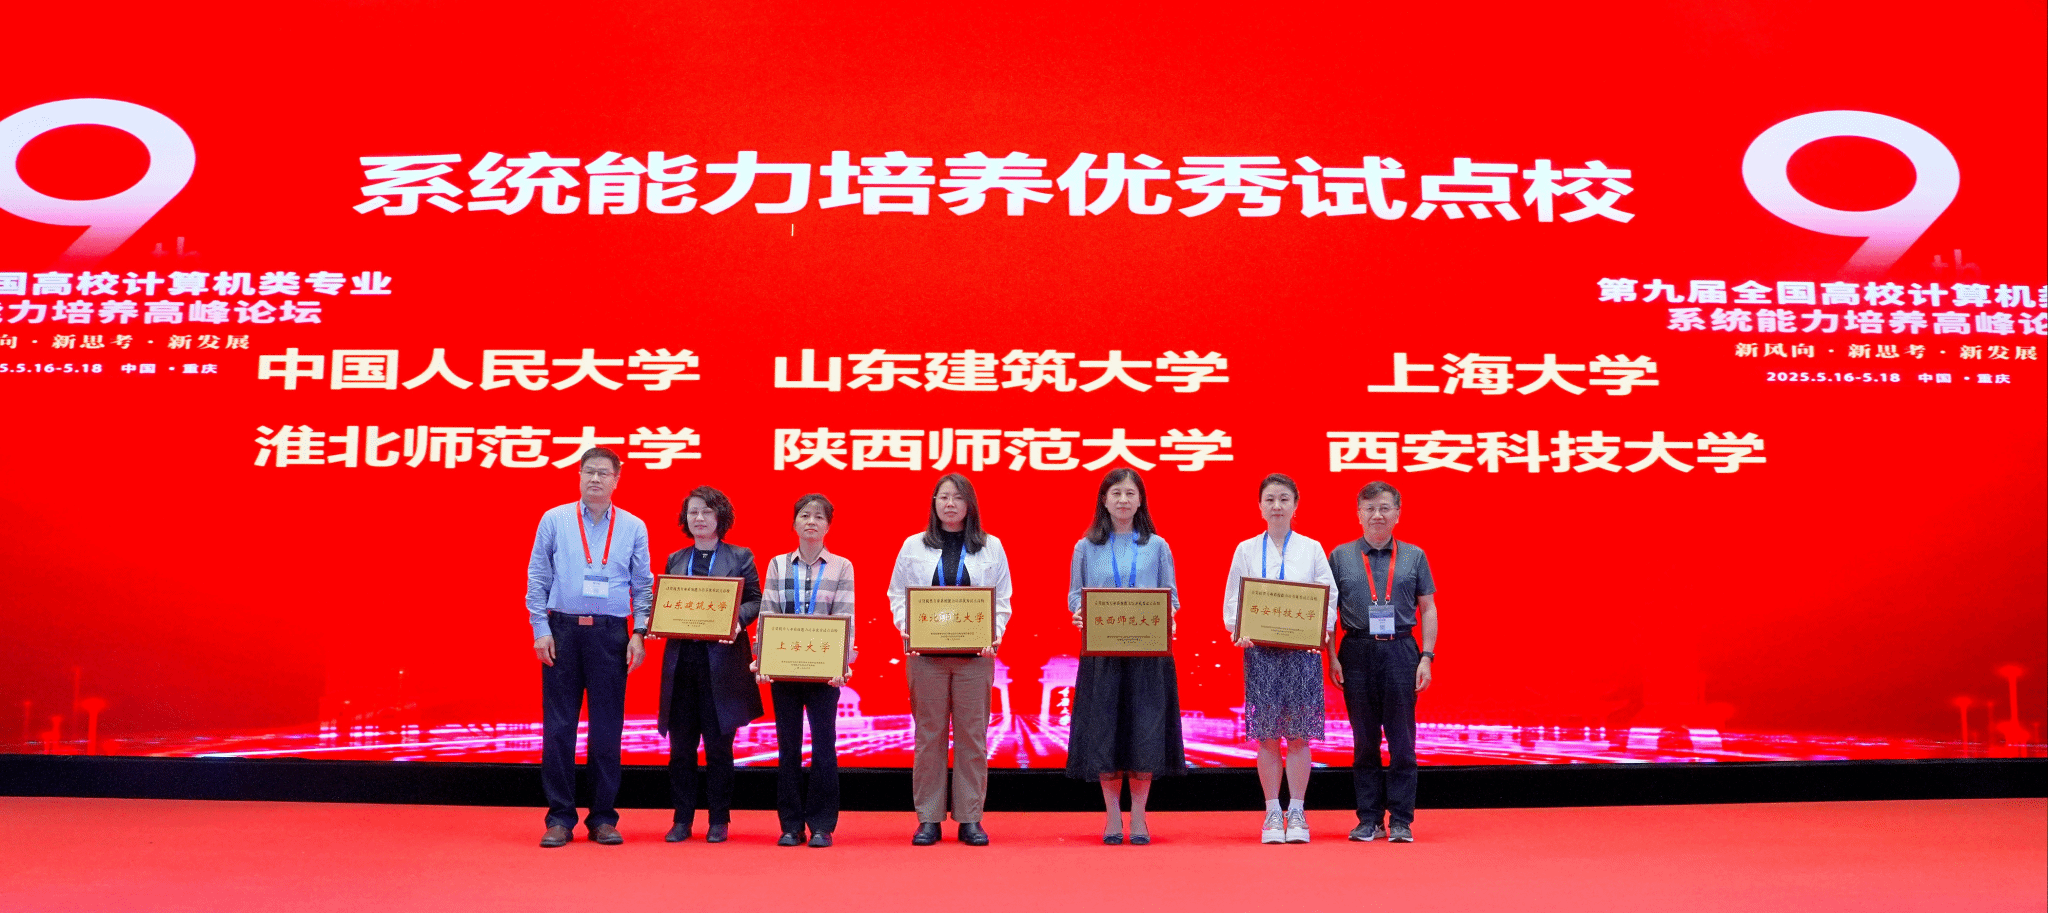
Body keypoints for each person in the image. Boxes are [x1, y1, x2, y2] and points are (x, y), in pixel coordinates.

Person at [526, 446, 652, 848]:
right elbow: (538, 575)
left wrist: (639, 632)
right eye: (588, 472)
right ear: (579, 476)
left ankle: (602, 818)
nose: (595, 479)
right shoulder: (555, 518)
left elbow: (643, 584)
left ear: (617, 479)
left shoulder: (633, 526)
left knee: (607, 729)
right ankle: (560, 818)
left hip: (611, 634)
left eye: (603, 473)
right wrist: (540, 628)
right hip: (562, 630)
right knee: (559, 728)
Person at [888, 473, 1013, 847]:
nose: (950, 504)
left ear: (969, 504)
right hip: (926, 657)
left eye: (957, 497)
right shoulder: (913, 545)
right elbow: (897, 594)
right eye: (943, 497)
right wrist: (908, 629)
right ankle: (928, 818)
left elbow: (1002, 598)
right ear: (934, 504)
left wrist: (993, 634)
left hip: (974, 659)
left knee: (973, 737)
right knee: (929, 737)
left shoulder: (991, 546)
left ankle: (970, 818)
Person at [1065, 467, 1185, 845]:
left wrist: (1168, 616)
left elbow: (1171, 596)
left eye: (1130, 493)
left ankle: (1140, 815)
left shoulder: (1157, 546)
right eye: (1115, 493)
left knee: (1145, 734)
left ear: (1140, 500)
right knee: (1105, 735)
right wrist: (1079, 613)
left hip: (1148, 656)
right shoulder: (1085, 547)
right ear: (1104, 500)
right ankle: (1113, 815)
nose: (1123, 500)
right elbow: (1075, 596)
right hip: (1102, 656)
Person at [1221, 473, 1337, 845]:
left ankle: (1298, 811)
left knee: (1299, 735)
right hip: (1262, 655)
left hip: (1301, 655)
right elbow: (1234, 598)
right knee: (1267, 736)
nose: (1276, 506)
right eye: (1270, 499)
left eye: (1284, 499)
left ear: (1295, 505)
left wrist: (1319, 631)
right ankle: (1273, 812)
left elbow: (1328, 595)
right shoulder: (1245, 549)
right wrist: (1239, 629)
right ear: (1259, 506)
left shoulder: (1312, 548)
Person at [653, 485, 764, 844]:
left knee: (719, 748)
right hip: (682, 664)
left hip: (722, 666)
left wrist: (737, 621)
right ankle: (681, 819)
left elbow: (755, 600)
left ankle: (719, 819)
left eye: (706, 511)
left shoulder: (740, 556)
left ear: (720, 517)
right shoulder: (676, 559)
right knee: (681, 749)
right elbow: (665, 603)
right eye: (693, 512)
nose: (699, 518)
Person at [1329, 481, 1438, 844]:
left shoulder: (1414, 555)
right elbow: (1328, 612)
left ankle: (1402, 819)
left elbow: (1428, 608)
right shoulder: (1340, 556)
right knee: (1364, 741)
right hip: (1356, 651)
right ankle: (1369, 819)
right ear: (1358, 514)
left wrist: (1426, 657)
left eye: (1385, 508)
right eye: (1370, 508)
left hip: (1401, 651)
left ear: (1397, 514)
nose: (1377, 515)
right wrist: (1332, 656)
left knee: (1402, 740)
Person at [753, 493, 855, 848]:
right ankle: (791, 825)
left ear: (828, 525)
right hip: (783, 671)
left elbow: (845, 617)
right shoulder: (778, 564)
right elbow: (767, 613)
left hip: (825, 673)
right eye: (804, 515)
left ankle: (823, 825)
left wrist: (842, 664)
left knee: (824, 745)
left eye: (819, 517)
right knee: (788, 746)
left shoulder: (842, 566)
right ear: (794, 523)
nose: (811, 521)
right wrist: (762, 660)